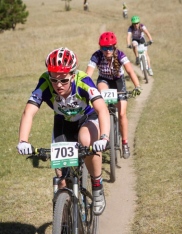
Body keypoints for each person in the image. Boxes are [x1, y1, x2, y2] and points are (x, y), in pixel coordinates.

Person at [16, 47, 110, 216]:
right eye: (54, 80)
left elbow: (102, 109)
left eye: (64, 81)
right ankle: (64, 230)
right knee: (61, 178)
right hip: (63, 122)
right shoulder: (45, 82)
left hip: (87, 118)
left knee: (87, 141)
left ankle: (97, 185)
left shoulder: (83, 80)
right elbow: (28, 111)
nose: (58, 85)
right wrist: (23, 140)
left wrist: (103, 138)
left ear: (72, 75)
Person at [86, 31, 141, 159]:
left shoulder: (120, 55)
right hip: (104, 80)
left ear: (114, 47)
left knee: (122, 113)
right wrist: (86, 89)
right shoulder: (96, 56)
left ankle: (125, 143)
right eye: (104, 48)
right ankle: (104, 135)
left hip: (118, 81)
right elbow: (88, 75)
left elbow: (130, 71)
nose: (107, 51)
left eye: (110, 47)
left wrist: (137, 86)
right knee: (101, 105)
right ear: (101, 48)